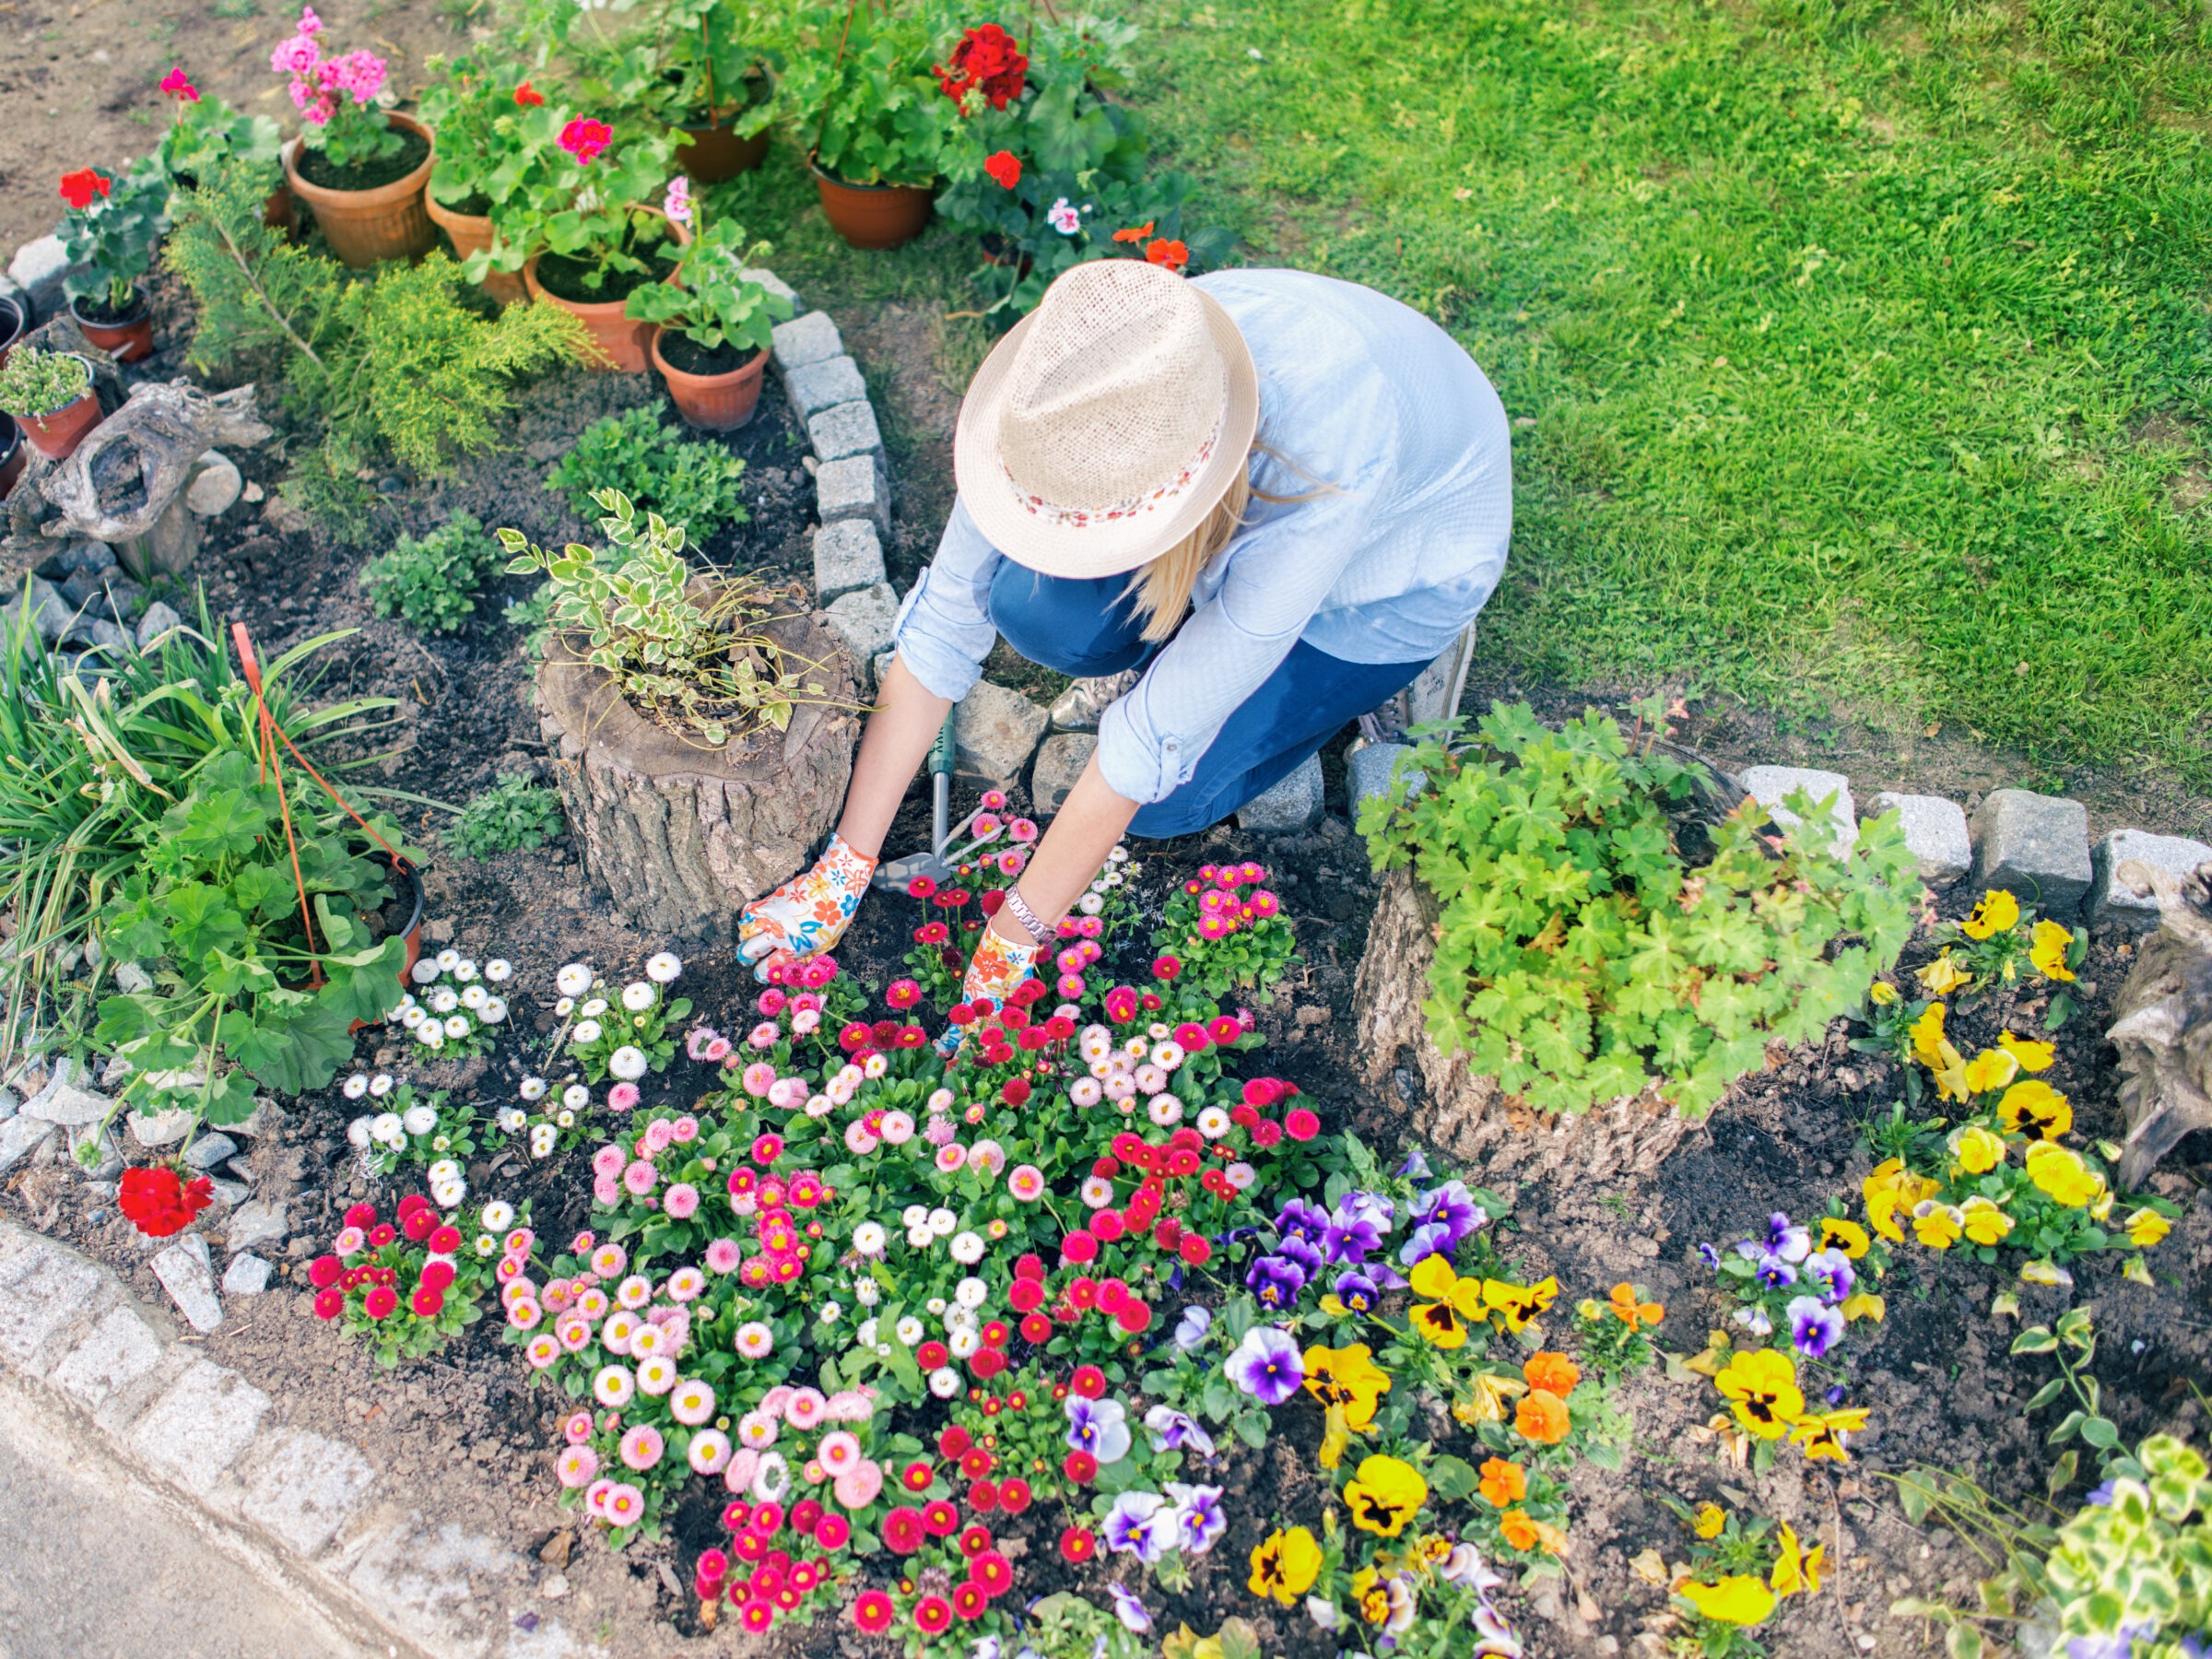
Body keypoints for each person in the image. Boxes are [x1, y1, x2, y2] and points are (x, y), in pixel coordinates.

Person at [737, 258, 1512, 1008]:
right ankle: (1193, 635)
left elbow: (1146, 744)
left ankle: (1348, 693)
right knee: (1036, 610)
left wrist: (1010, 942)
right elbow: (944, 624)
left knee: (1164, 806)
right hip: (1216, 510)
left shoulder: (1321, 466)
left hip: (1383, 585)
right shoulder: (1075, 390)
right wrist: (845, 866)